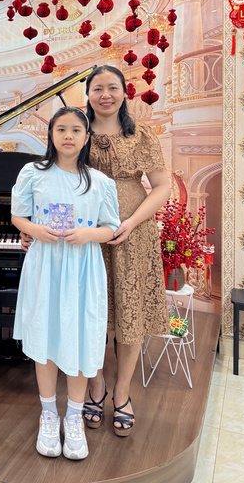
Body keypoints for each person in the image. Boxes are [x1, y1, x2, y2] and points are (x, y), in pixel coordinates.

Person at [11, 107, 120, 460]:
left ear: (87, 137)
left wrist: (89, 234)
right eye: (61, 129)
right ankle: (48, 414)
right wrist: (34, 229)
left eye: (76, 130)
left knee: (78, 339)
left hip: (82, 269)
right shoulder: (33, 173)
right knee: (44, 335)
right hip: (45, 265)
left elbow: (111, 227)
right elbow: (17, 215)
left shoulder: (100, 182)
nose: (68, 136)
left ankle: (74, 417)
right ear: (51, 135)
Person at [83, 65, 171, 436]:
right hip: (87, 236)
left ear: (124, 92)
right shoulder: (77, 133)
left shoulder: (142, 135)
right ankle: (96, 385)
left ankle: (122, 392)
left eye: (112, 87)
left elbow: (162, 186)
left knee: (130, 313)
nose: (105, 94)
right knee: (90, 314)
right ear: (88, 94)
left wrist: (131, 222)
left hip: (134, 235)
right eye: (97, 88)